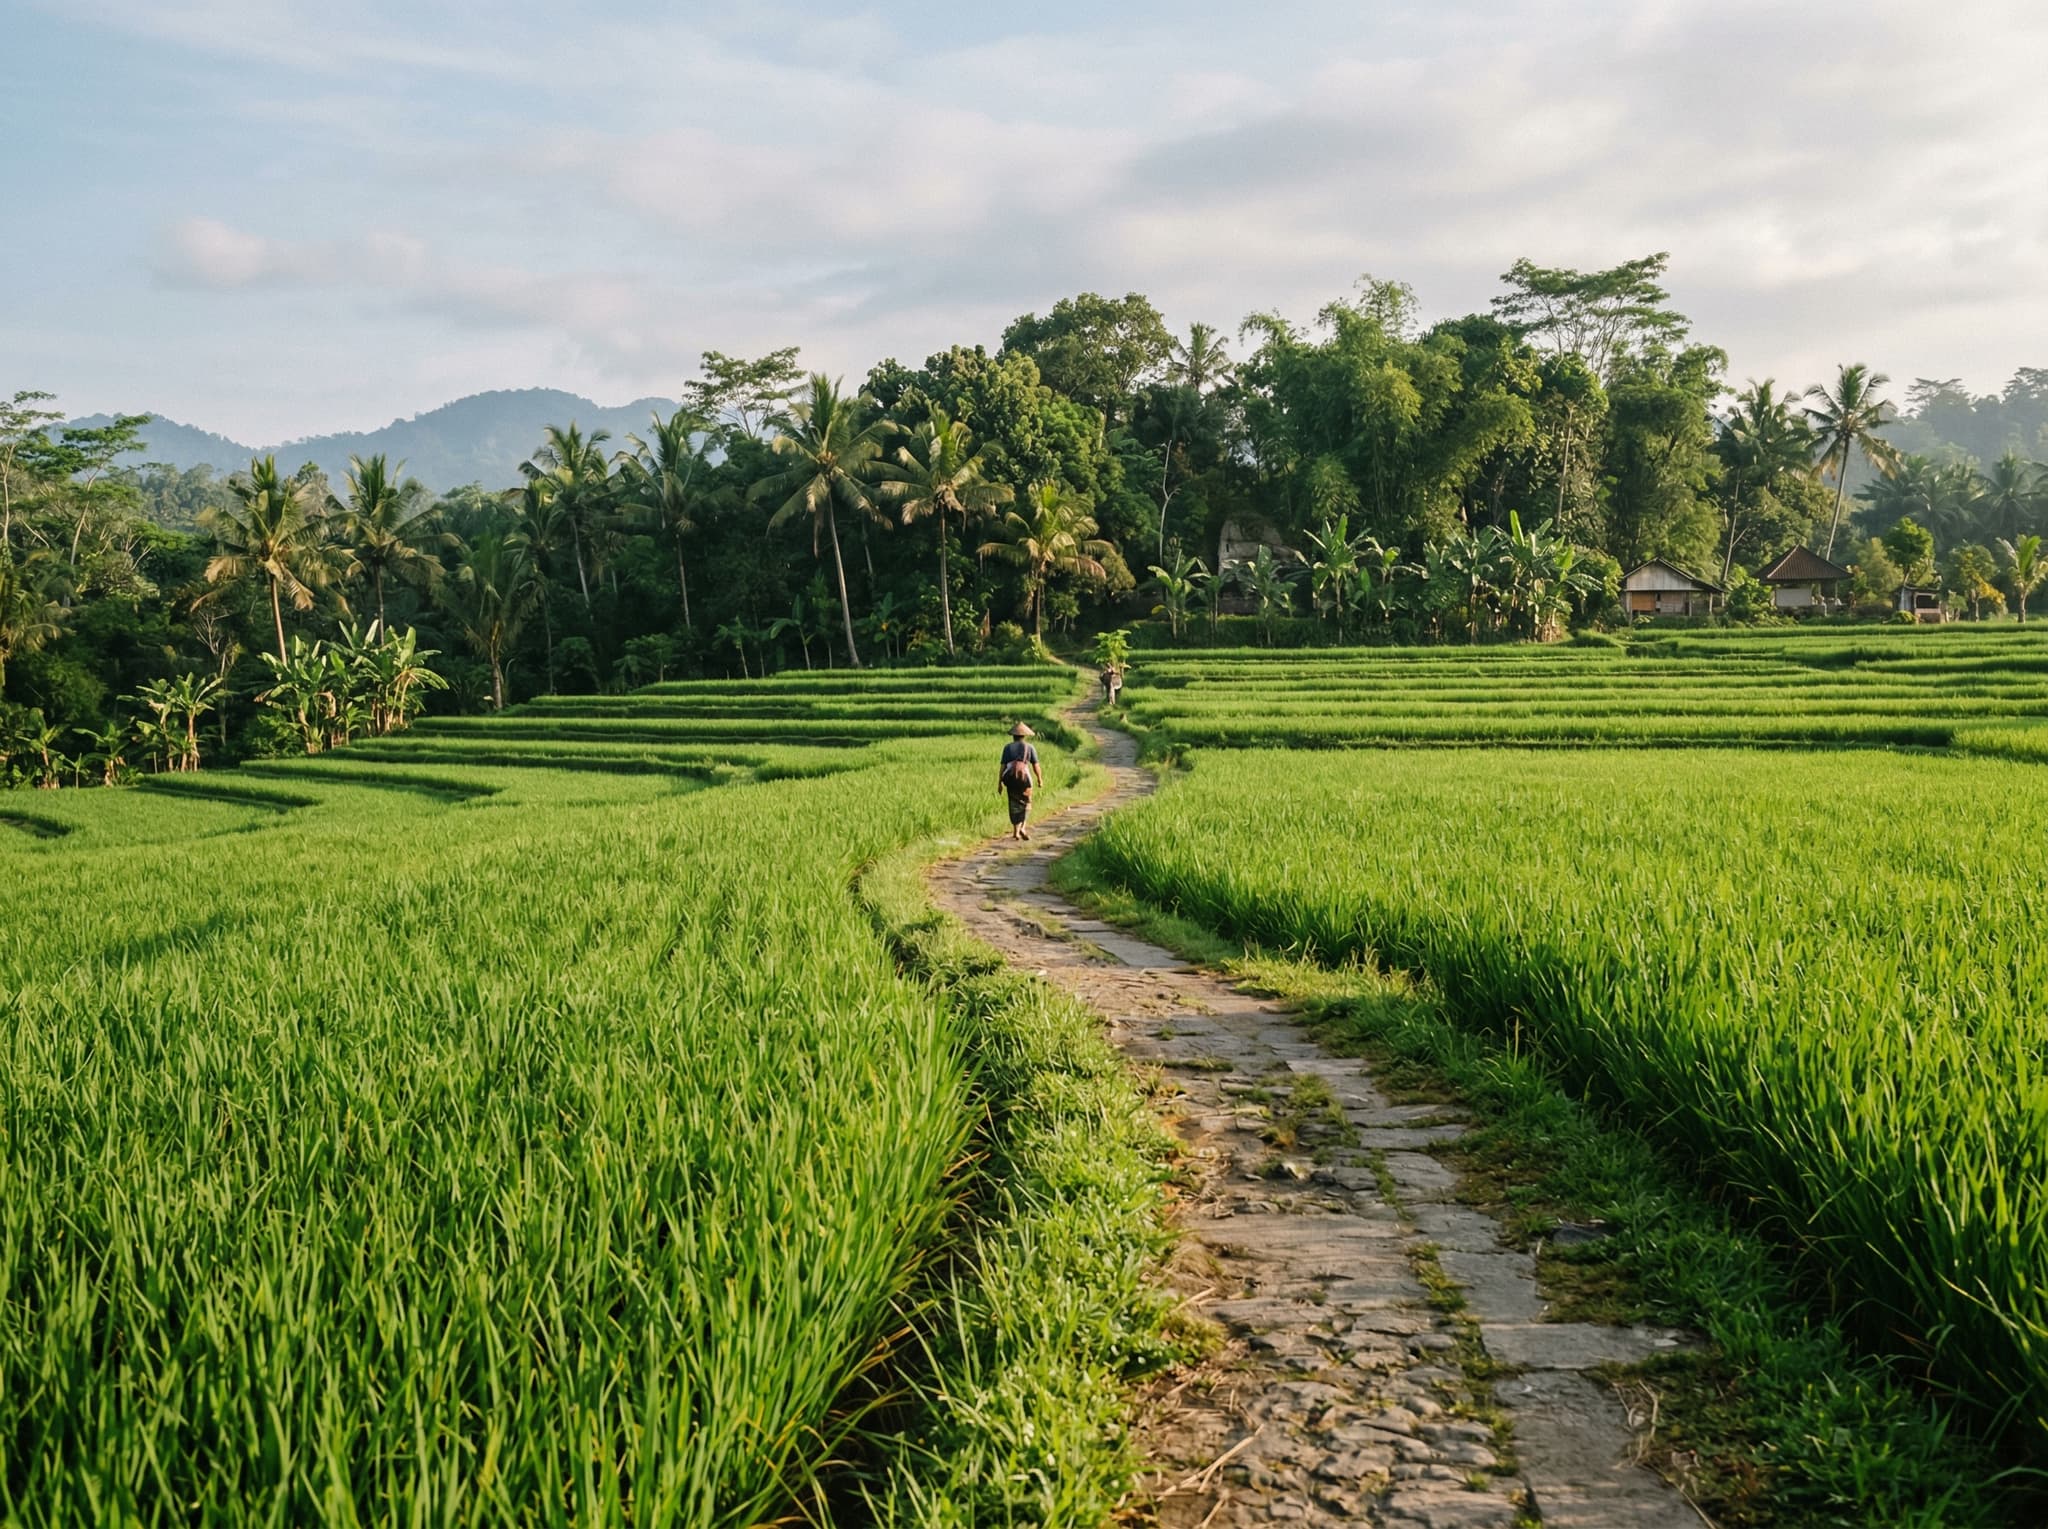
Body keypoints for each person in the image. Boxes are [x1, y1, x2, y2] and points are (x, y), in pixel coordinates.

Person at [998, 721, 1044, 841]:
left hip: (1010, 778)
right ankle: (1023, 827)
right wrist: (1039, 779)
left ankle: (1015, 832)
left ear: (1013, 736)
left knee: (1013, 803)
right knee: (1027, 802)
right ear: (1024, 736)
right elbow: (1036, 765)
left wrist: (999, 783)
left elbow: (1003, 766)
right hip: (1025, 779)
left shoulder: (1007, 748)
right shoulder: (1030, 747)